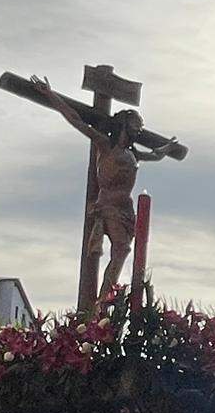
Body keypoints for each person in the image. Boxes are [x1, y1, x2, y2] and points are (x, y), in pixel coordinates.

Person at [28, 75, 178, 302]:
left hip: (126, 208)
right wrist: (50, 94)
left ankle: (106, 297)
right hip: (108, 205)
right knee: (121, 249)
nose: (140, 127)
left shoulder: (133, 153)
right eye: (137, 123)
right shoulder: (105, 145)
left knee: (122, 250)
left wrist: (166, 148)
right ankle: (102, 300)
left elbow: (155, 155)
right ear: (125, 123)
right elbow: (75, 119)